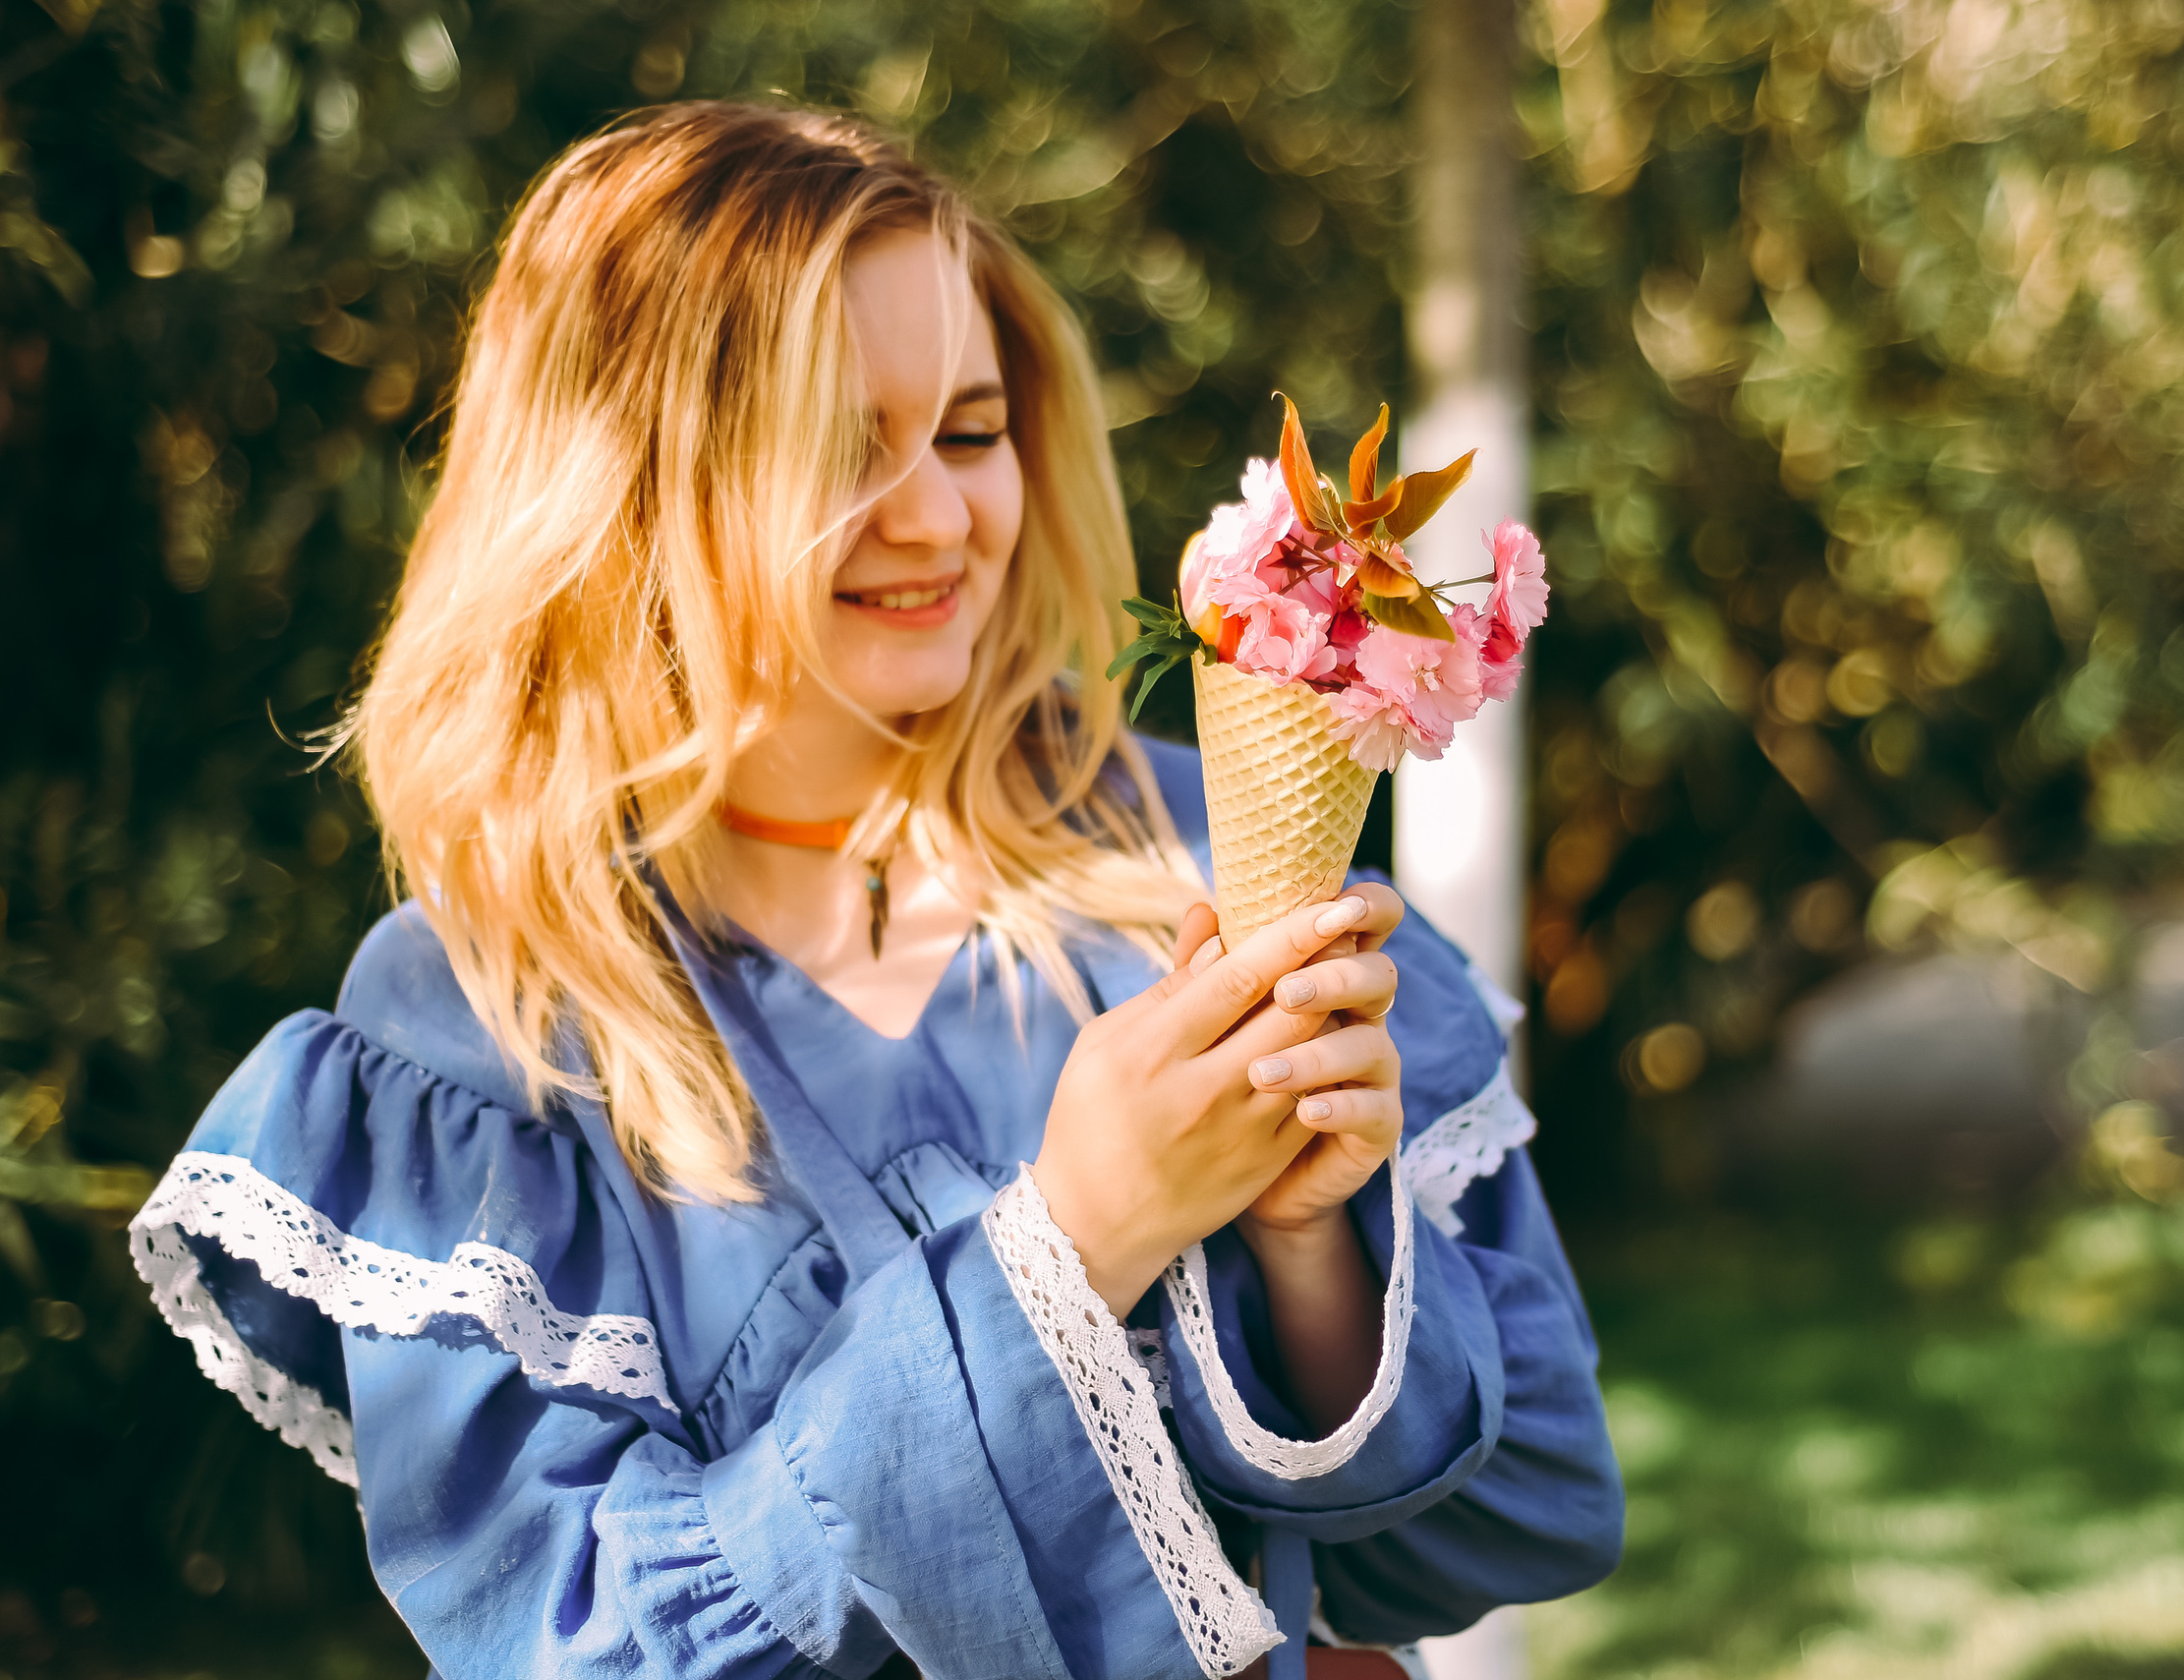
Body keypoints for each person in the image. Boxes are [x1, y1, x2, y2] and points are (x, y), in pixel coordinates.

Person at [127, 101, 1622, 1680]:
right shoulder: (481, 1023)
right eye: (841, 445)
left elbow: (1535, 1509)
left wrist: (1319, 1248)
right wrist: (1072, 1243)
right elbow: (572, 1650)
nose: (938, 516)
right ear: (625, 483)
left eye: (970, 432)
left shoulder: (1198, 872)